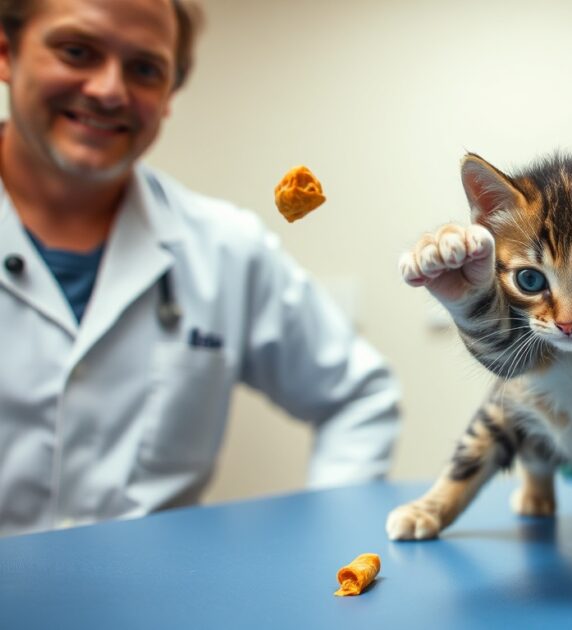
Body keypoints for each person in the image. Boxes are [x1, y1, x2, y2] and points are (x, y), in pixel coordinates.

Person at [0, 0, 400, 537]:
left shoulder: (226, 248)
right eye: (77, 51)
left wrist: (331, 540)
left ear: (169, 95)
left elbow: (359, 394)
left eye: (145, 69)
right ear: (7, 51)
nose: (109, 90)